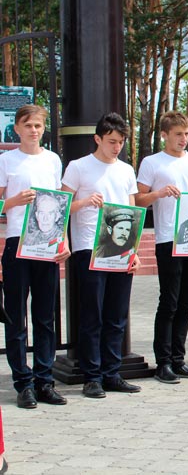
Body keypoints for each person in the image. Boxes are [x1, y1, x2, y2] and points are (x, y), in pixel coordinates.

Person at [62, 113, 142, 398]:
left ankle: (112, 373)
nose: (116, 147)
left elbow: (132, 210)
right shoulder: (78, 167)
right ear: (97, 139)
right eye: (111, 141)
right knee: (92, 315)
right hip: (89, 246)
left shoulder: (126, 170)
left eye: (120, 142)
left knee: (117, 315)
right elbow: (62, 205)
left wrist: (134, 251)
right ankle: (92, 376)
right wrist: (84, 202)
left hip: (119, 249)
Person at [136, 110, 188, 384]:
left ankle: (179, 360)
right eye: (178, 134)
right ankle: (164, 362)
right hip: (169, 239)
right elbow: (137, 199)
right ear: (164, 135)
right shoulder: (152, 163)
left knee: (187, 303)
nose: (183, 139)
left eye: (186, 133)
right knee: (169, 301)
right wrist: (158, 193)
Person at [0, 104, 70, 409]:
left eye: (38, 125)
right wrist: (12, 201)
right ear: (17, 128)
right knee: (17, 317)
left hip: (46, 244)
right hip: (17, 242)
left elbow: (60, 204)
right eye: (27, 125)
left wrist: (63, 240)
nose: (33, 130)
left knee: (45, 316)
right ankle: (23, 383)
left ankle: (44, 380)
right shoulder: (6, 161)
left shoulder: (53, 160)